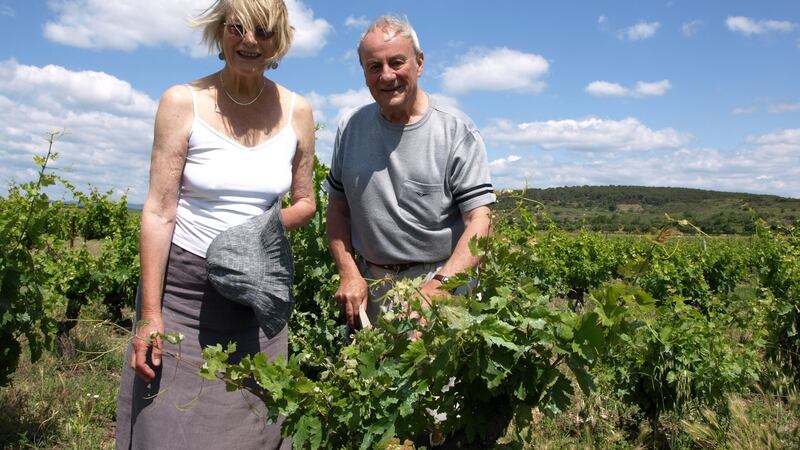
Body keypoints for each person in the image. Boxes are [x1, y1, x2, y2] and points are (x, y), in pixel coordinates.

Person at [115, 0, 315, 448]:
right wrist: (151, 314)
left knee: (256, 427)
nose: (249, 41)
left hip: (258, 300)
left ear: (278, 39)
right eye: (237, 27)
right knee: (167, 424)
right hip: (184, 296)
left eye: (262, 31)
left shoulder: (297, 110)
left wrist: (250, 237)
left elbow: (306, 203)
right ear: (220, 32)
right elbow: (159, 210)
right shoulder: (182, 102)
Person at [325, 15, 495, 331]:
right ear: (363, 73)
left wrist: (441, 286)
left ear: (419, 63)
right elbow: (337, 211)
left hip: (440, 285)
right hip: (371, 288)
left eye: (397, 62)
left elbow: (479, 220)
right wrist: (348, 271)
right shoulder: (350, 128)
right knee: (369, 377)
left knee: (436, 378)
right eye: (374, 66)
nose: (387, 75)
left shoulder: (455, 130)